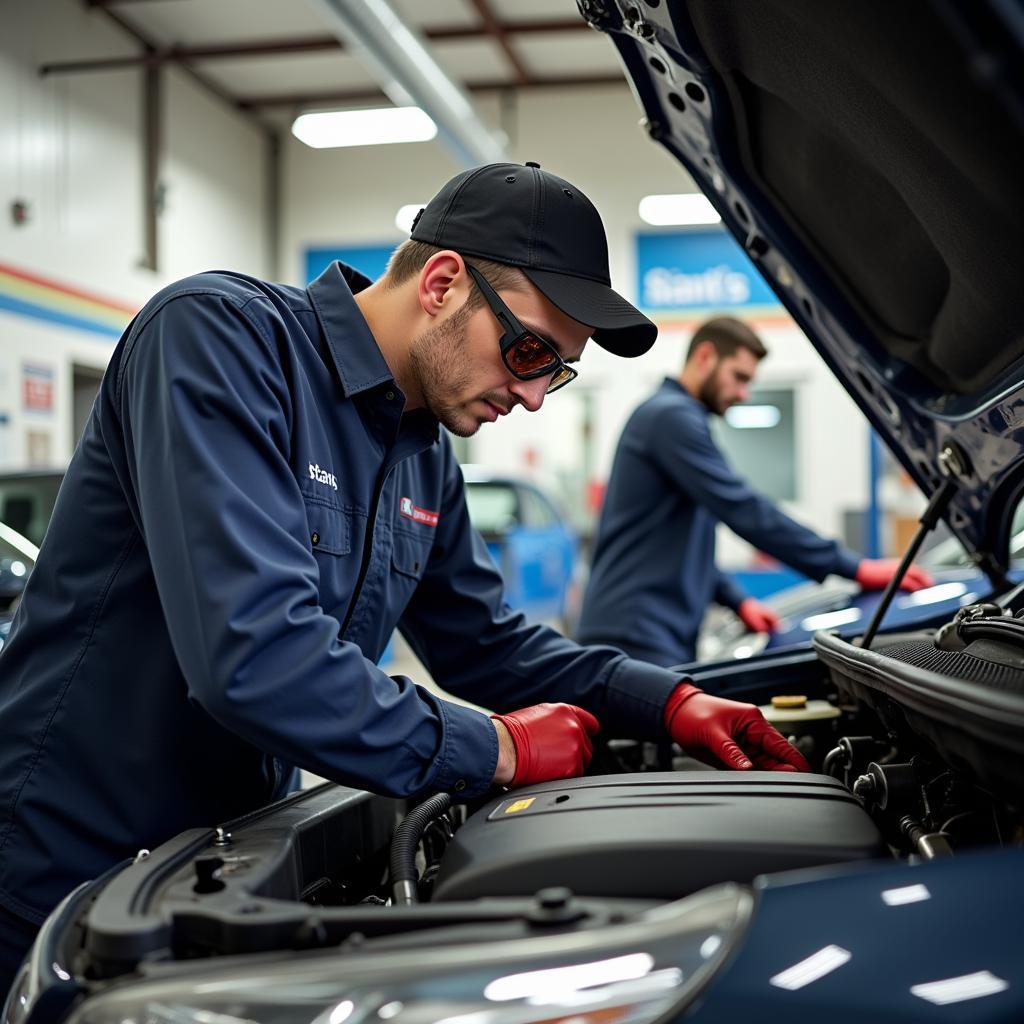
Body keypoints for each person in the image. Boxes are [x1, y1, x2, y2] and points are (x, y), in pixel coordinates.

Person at [0, 164, 808, 998]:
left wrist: (666, 700)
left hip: (215, 866)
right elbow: (255, 658)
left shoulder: (426, 456)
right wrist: (495, 747)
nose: (533, 396)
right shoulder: (220, 340)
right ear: (443, 282)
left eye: (555, 372)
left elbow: (487, 644)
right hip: (57, 874)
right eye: (528, 351)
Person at [577, 316, 933, 667]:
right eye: (739, 377)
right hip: (635, 636)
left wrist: (738, 601)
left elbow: (677, 545)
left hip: (646, 631)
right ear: (705, 357)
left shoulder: (672, 417)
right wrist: (854, 567)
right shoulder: (670, 417)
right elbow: (744, 509)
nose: (743, 394)